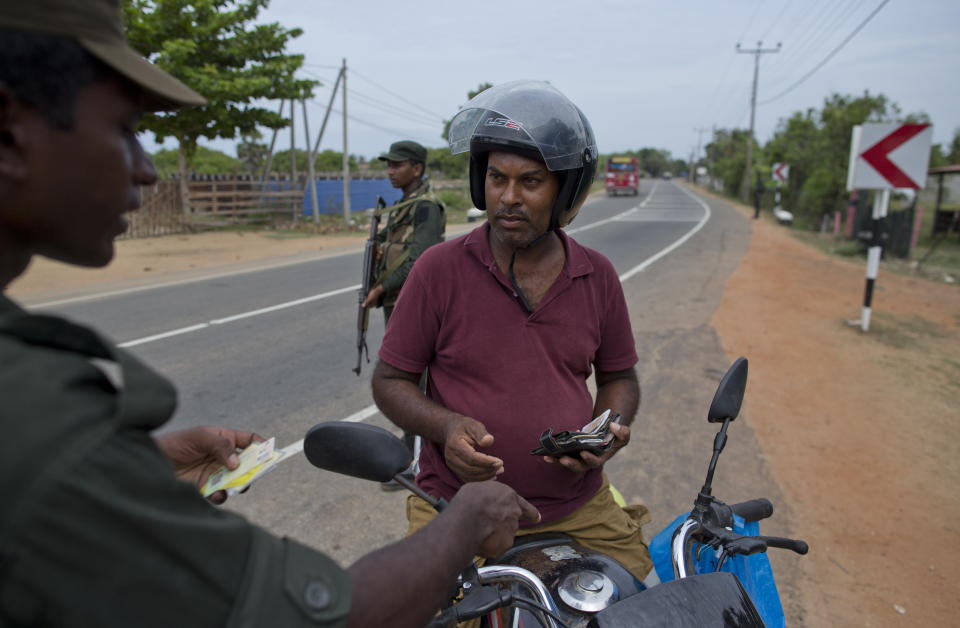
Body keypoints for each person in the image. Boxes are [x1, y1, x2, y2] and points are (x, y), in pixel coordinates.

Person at [0, 3, 538, 627]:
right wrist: (466, 524)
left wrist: (128, 473)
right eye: (124, 127)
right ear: (9, 132)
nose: (145, 168)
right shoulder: (28, 401)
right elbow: (314, 616)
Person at [371, 81, 655, 583]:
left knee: (640, 600)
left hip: (578, 509)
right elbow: (390, 381)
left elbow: (620, 378)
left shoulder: (598, 275)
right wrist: (445, 426)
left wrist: (605, 431)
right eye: (497, 178)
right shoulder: (438, 270)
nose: (508, 198)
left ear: (565, 191)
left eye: (531, 182)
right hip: (457, 508)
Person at [361, 139, 445, 489]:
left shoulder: (426, 207)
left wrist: (380, 288)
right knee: (407, 381)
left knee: (416, 385)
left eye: (397, 165)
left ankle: (420, 463)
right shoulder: (401, 206)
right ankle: (411, 454)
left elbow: (419, 261)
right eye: (389, 165)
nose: (391, 171)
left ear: (417, 168)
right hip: (397, 302)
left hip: (415, 303)